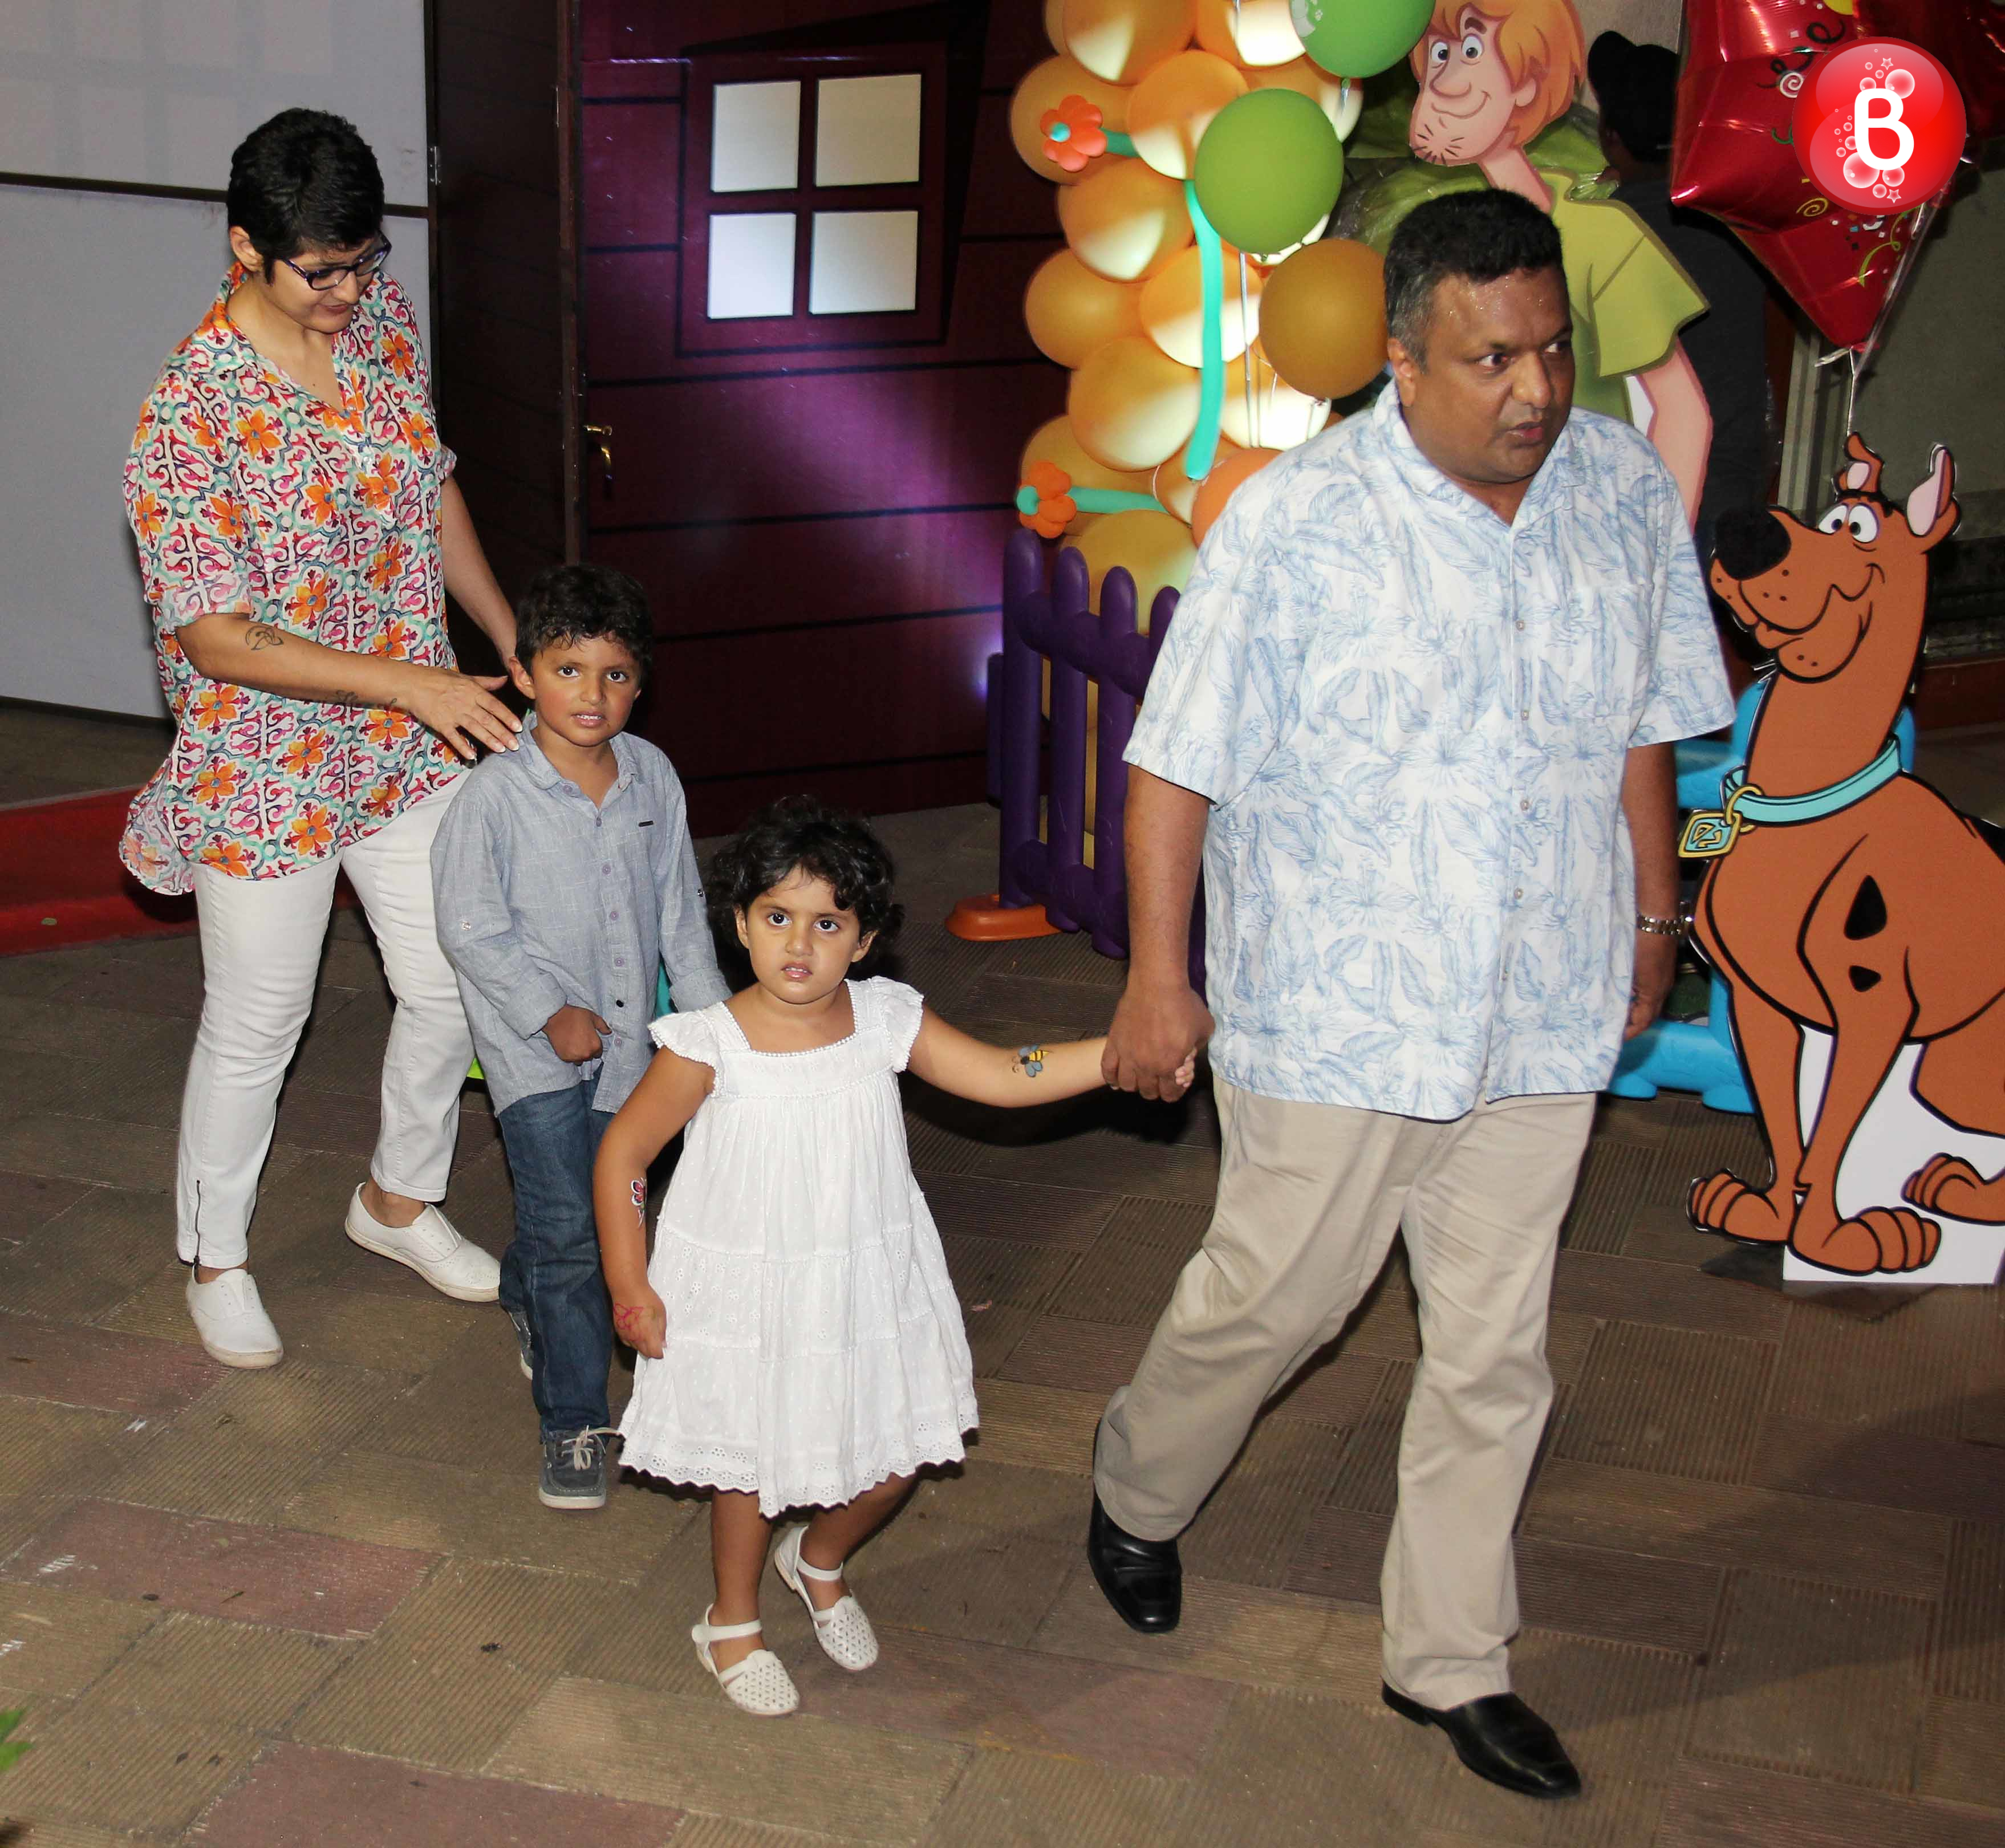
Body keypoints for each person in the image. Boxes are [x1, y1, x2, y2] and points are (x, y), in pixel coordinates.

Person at [1086, 190, 1733, 1798]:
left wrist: (1655, 907)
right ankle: (1137, 1489)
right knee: (1278, 1304)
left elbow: (1644, 718)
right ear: (1399, 359)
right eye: (1489, 358)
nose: (1533, 389)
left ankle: (1449, 1658)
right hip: (1339, 1010)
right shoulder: (1293, 523)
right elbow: (1174, 764)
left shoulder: (1617, 490)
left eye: (1551, 349)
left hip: (1541, 995)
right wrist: (1160, 979)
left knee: (1496, 1346)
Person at [594, 799, 1161, 1717]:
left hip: (865, 1271)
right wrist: (630, 1283)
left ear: (863, 943)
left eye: (828, 924)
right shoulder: (709, 1043)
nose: (800, 944)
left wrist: (1117, 1055)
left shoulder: (887, 1018)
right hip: (754, 1281)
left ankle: (818, 1558)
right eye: (778, 917)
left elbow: (1000, 1075)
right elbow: (624, 1154)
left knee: (901, 1449)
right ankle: (731, 1618)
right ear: (741, 925)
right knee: (754, 1465)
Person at [124, 108, 523, 1370]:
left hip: (400, 741)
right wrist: (411, 684)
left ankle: (398, 1202)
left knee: (453, 977)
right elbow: (216, 637)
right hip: (265, 761)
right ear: (245, 247)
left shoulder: (378, 323)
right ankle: (215, 1257)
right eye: (322, 271)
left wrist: (505, 632)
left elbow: (428, 482)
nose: (349, 291)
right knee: (261, 1017)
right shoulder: (187, 415)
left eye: (365, 260)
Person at [429, 564, 729, 1511]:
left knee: (585, 1217)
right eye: (567, 670)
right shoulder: (492, 796)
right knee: (574, 1235)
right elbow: (469, 926)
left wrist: (718, 1031)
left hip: (632, 1053)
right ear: (524, 675)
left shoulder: (653, 776)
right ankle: (574, 1422)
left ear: (640, 683)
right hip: (531, 1054)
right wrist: (544, 1008)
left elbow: (680, 915)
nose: (591, 694)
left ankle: (527, 1293)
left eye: (615, 674)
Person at [1407, 0, 1713, 526]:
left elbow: (1684, 415)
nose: (1446, 78)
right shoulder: (1438, 242)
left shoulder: (1599, 237)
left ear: (1527, 81)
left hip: (1580, 540)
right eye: (1440, 53)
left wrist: (1652, 561)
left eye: (1472, 49)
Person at [1588, 30, 1775, 563]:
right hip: (1726, 506)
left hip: (1631, 516)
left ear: (1611, 138)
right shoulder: (1741, 229)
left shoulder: (1595, 239)